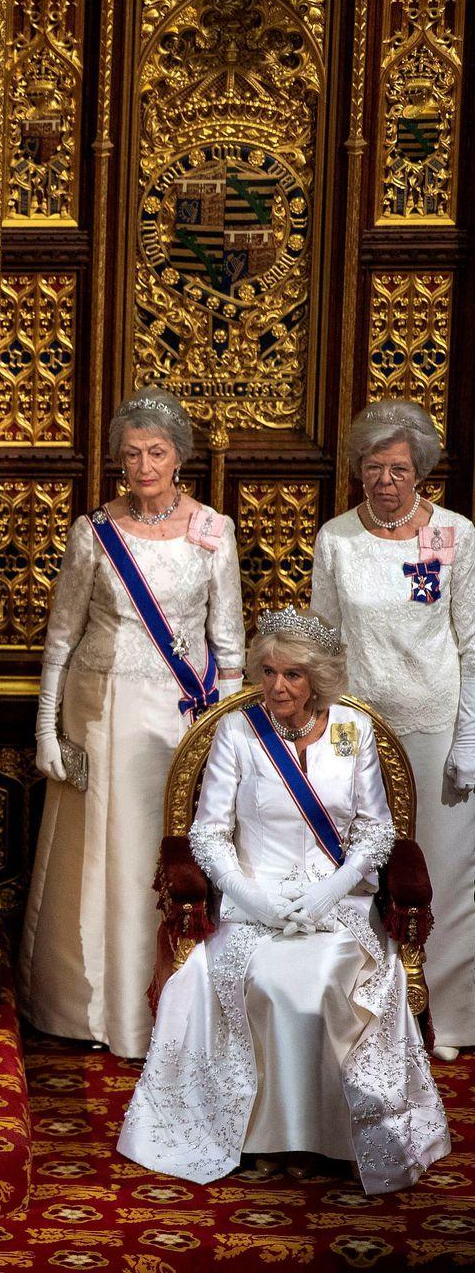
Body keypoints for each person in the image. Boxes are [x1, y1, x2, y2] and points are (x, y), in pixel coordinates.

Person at [119, 610, 450, 1193]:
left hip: (338, 904)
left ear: (317, 678)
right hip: (254, 904)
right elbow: (207, 834)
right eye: (268, 672)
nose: (277, 687)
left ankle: (323, 1137)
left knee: (321, 982)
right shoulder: (238, 733)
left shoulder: (352, 731)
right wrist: (255, 898)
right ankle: (263, 1138)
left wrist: (330, 891)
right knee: (267, 981)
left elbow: (377, 830)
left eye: (293, 675)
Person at [21, 387, 244, 1058]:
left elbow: (229, 646)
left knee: (164, 851)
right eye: (132, 454)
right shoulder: (93, 532)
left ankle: (171, 1006)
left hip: (179, 719)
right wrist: (45, 732)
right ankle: (86, 1009)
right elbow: (60, 639)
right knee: (97, 853)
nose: (144, 464)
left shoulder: (213, 530)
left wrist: (227, 740)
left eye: (157, 452)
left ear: (180, 457)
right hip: (98, 710)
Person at [311, 400, 473, 1063]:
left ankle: (450, 1018)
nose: (385, 480)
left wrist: (469, 739)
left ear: (421, 471)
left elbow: (472, 644)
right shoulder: (336, 539)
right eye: (373, 467)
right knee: (356, 868)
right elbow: (321, 643)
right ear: (358, 471)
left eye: (398, 468)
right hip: (356, 728)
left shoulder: (455, 535)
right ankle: (362, 1013)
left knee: (443, 870)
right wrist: (316, 732)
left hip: (434, 722)